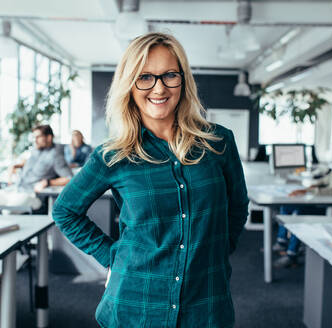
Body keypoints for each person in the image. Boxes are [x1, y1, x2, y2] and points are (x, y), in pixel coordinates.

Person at [52, 32, 248, 328]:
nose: (159, 88)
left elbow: (237, 206)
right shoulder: (114, 154)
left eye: (169, 75)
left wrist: (217, 251)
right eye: (145, 77)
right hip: (136, 305)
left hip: (205, 306)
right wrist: (112, 256)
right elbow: (65, 211)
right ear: (130, 84)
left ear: (183, 80)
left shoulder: (218, 142)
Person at [273, 143, 332, 268]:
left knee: (299, 213)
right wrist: (309, 186)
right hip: (324, 204)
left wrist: (307, 191)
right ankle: (282, 242)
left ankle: (291, 254)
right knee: (286, 207)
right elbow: (323, 181)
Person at [0, 124, 73, 213]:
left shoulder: (56, 156)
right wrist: (16, 166)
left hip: (30, 195)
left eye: (38, 137)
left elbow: (69, 178)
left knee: (8, 211)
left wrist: (48, 182)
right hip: (12, 190)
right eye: (34, 137)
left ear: (49, 137)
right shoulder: (35, 151)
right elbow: (29, 164)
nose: (35, 140)